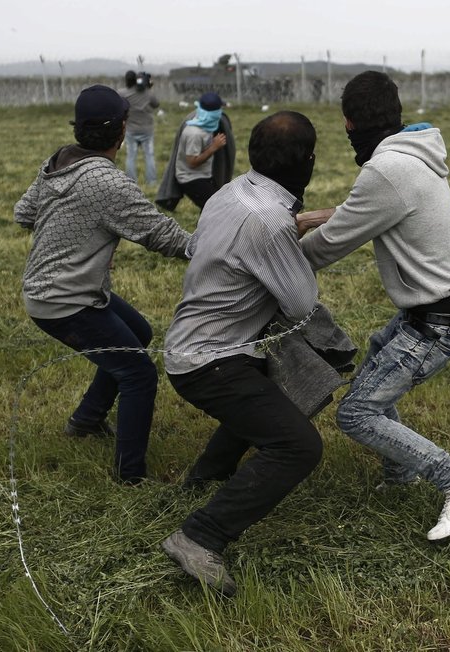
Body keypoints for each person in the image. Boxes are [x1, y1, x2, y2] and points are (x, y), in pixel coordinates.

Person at [298, 71, 450, 542]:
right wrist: (310, 216)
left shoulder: (387, 169)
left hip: (437, 322)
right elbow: (367, 209)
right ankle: (400, 477)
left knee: (357, 412)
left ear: (348, 123)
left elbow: (328, 247)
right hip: (434, 311)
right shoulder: (410, 157)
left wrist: (273, 263)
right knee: (374, 384)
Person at [160, 111, 321, 596]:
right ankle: (200, 536)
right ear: (309, 161)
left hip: (191, 347)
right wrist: (316, 248)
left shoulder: (229, 193)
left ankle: (205, 478)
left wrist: (317, 219)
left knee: (269, 395)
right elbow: (301, 306)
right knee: (299, 446)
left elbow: (268, 228)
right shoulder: (270, 222)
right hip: (210, 362)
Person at [14, 84, 191, 485]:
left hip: (53, 290)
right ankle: (130, 478)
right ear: (122, 130)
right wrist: (223, 246)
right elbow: (166, 238)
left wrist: (75, 232)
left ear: (79, 129)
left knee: (139, 333)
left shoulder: (59, 160)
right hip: (64, 301)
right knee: (139, 375)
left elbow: (23, 213)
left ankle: (86, 420)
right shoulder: (107, 183)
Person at [160, 92, 233, 210]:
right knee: (216, 208)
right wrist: (214, 147)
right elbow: (192, 162)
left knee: (212, 208)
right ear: (213, 114)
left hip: (204, 175)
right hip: (191, 178)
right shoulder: (194, 133)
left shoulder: (208, 124)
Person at [120, 70, 161, 186]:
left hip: (131, 130)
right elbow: (156, 104)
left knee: (131, 156)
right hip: (147, 129)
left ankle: (131, 182)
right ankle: (152, 182)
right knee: (149, 155)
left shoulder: (123, 93)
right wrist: (149, 89)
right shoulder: (148, 93)